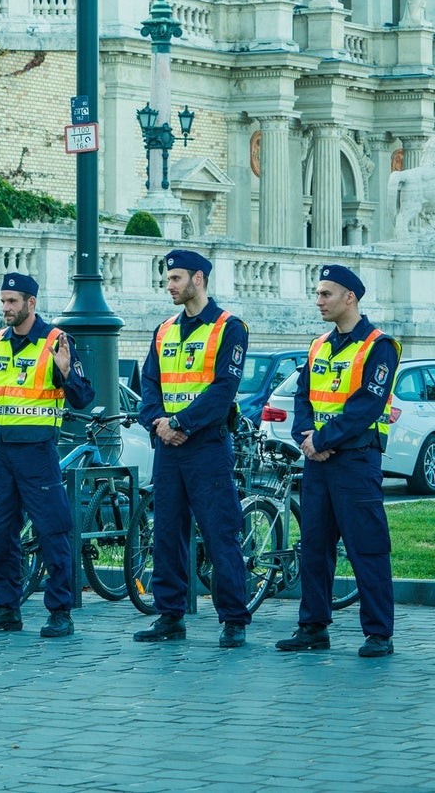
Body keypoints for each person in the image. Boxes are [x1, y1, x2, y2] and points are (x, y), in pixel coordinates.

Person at [0, 273, 94, 638]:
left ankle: (60, 612)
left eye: (12, 301)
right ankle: (6, 607)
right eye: (3, 301)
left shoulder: (57, 341)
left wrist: (67, 372)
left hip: (38, 452)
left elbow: (83, 398)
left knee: (53, 529)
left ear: (31, 303)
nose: (6, 308)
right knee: (1, 532)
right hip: (2, 452)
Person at [276, 265, 399, 659]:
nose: (318, 301)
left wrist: (323, 440)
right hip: (318, 462)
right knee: (314, 546)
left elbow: (367, 405)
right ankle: (313, 626)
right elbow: (302, 398)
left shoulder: (379, 345)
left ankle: (379, 633)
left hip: (356, 462)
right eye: (317, 293)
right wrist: (306, 439)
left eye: (326, 294)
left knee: (367, 548)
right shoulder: (318, 345)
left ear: (350, 297)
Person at [133, 251, 252, 648]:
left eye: (176, 278)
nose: (169, 285)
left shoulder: (228, 327)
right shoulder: (164, 329)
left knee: (221, 532)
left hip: (207, 446)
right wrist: (160, 424)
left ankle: (233, 618)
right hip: (169, 448)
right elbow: (149, 385)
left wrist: (180, 423)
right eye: (168, 279)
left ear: (198, 279)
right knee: (166, 533)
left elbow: (223, 391)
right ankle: (170, 615)